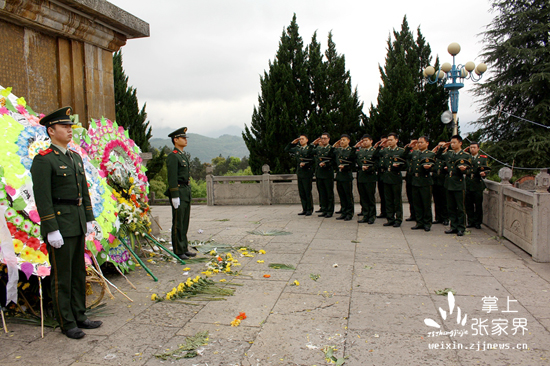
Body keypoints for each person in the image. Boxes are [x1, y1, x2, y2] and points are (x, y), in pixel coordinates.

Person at [31, 106, 102, 339]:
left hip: (78, 221)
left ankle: (80, 315)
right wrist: (51, 228)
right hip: (60, 225)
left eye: (70, 126)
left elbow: (84, 192)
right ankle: (66, 321)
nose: (69, 130)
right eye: (64, 126)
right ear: (51, 131)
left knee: (78, 274)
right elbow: (43, 198)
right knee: (62, 276)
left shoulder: (75, 157)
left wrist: (89, 218)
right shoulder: (44, 160)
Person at [166, 127, 196, 260]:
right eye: (182, 138)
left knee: (184, 221)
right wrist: (174, 195)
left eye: (185, 138)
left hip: (185, 191)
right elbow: (172, 177)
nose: (185, 140)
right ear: (175, 140)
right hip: (178, 191)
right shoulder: (173, 156)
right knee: (178, 222)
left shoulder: (182, 155)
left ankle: (184, 247)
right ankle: (178, 250)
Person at [437, 135, 471, 236]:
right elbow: (438, 156)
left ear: (460, 143)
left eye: (454, 142)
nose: (452, 145)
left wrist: (464, 170)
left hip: (458, 182)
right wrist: (443, 147)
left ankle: (461, 227)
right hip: (449, 183)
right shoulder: (449, 154)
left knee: (460, 208)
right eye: (451, 143)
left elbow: (470, 170)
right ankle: (453, 226)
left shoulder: (465, 155)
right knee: (450, 207)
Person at [406, 137, 435, 231]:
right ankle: (419, 222)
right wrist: (409, 146)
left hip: (425, 180)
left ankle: (427, 223)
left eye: (422, 142)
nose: (419, 144)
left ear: (427, 143)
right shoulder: (415, 153)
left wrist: (429, 168)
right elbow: (404, 155)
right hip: (415, 180)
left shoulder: (430, 154)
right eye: (418, 142)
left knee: (425, 203)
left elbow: (435, 167)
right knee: (417, 203)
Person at [380, 133, 407, 227]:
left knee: (397, 200)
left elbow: (406, 163)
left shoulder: (401, 151)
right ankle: (390, 218)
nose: (389, 142)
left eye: (391, 140)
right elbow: (375, 155)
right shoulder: (385, 150)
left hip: (395, 176)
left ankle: (398, 219)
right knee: (388, 200)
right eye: (388, 140)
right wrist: (380, 145)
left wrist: (399, 166)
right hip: (387, 177)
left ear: (396, 140)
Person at [285, 134, 315, 216]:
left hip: (307, 172)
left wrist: (306, 164)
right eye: (300, 139)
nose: (301, 140)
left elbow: (313, 160)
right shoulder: (297, 149)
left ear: (307, 140)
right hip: (300, 173)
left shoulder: (310, 149)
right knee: (301, 192)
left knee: (307, 191)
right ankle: (304, 209)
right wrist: (292, 143)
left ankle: (309, 209)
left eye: (303, 139)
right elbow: (287, 150)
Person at [355, 135, 381, 224]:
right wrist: (355, 147)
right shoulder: (360, 152)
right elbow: (355, 160)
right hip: (361, 177)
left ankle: (372, 216)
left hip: (370, 177)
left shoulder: (374, 151)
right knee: (363, 198)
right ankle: (365, 215)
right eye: (363, 141)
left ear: (371, 141)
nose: (364, 142)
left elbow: (377, 164)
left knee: (370, 198)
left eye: (366, 140)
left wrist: (370, 169)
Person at [465, 142, 489, 229]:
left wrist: (484, 173)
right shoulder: (467, 158)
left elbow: (486, 169)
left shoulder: (482, 158)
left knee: (478, 205)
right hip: (468, 183)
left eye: (474, 147)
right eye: (471, 147)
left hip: (477, 184)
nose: (472, 149)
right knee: (468, 205)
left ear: (478, 148)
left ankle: (478, 222)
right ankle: (470, 221)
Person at [312, 133, 335, 218]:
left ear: (329, 139)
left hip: (327, 173)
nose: (323, 140)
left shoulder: (331, 149)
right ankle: (324, 209)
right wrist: (313, 144)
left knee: (329, 194)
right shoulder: (319, 149)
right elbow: (310, 151)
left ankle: (330, 210)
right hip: (319, 174)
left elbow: (333, 161)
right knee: (322, 193)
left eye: (325, 138)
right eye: (322, 138)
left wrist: (326, 165)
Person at [333, 134, 356, 221]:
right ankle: (343, 212)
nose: (342, 142)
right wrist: (335, 144)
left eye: (344, 140)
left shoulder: (351, 151)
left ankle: (349, 213)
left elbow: (352, 164)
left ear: (348, 141)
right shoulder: (338, 150)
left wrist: (345, 167)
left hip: (347, 176)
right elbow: (330, 153)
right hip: (339, 176)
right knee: (341, 195)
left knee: (348, 196)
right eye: (341, 140)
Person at [432, 142, 449, 226]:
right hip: (435, 180)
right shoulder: (436, 156)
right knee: (436, 200)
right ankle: (438, 217)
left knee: (444, 201)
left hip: (443, 180)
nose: (441, 147)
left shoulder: (447, 155)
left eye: (443, 146)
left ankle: (445, 218)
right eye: (439, 145)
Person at [376, 135, 388, 219]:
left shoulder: (389, 151)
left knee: (388, 196)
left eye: (385, 142)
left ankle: (389, 212)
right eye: (381, 142)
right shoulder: (379, 151)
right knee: (382, 195)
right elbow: (374, 156)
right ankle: (383, 211)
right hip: (380, 174)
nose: (383, 144)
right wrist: (378, 146)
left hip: (387, 175)